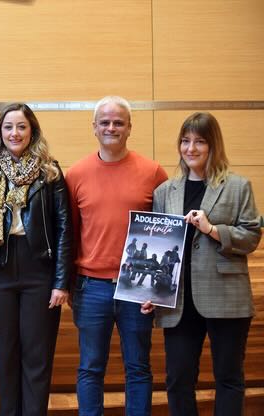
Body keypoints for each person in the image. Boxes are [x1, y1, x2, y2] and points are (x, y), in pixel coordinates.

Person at [141, 112, 261, 415]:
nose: (191, 148)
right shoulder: (164, 192)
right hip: (178, 303)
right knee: (178, 381)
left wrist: (212, 229)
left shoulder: (237, 186)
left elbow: (251, 237)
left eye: (200, 142)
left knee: (229, 378)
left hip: (226, 298)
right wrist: (152, 292)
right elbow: (158, 246)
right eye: (185, 141)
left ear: (213, 145)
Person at [65, 96, 168, 416]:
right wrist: (67, 285)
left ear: (129, 128)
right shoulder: (76, 174)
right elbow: (70, 235)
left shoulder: (153, 173)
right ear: (94, 127)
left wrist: (158, 291)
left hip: (138, 290)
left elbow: (166, 234)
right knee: (90, 367)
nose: (111, 128)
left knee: (138, 367)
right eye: (105, 122)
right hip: (90, 286)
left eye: (118, 122)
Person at [0, 103, 72, 415]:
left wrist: (61, 282)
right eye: (8, 127)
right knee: (6, 357)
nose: (15, 133)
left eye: (22, 126)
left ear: (32, 131)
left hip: (39, 270)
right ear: (0, 132)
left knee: (37, 358)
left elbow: (64, 229)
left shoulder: (50, 172)